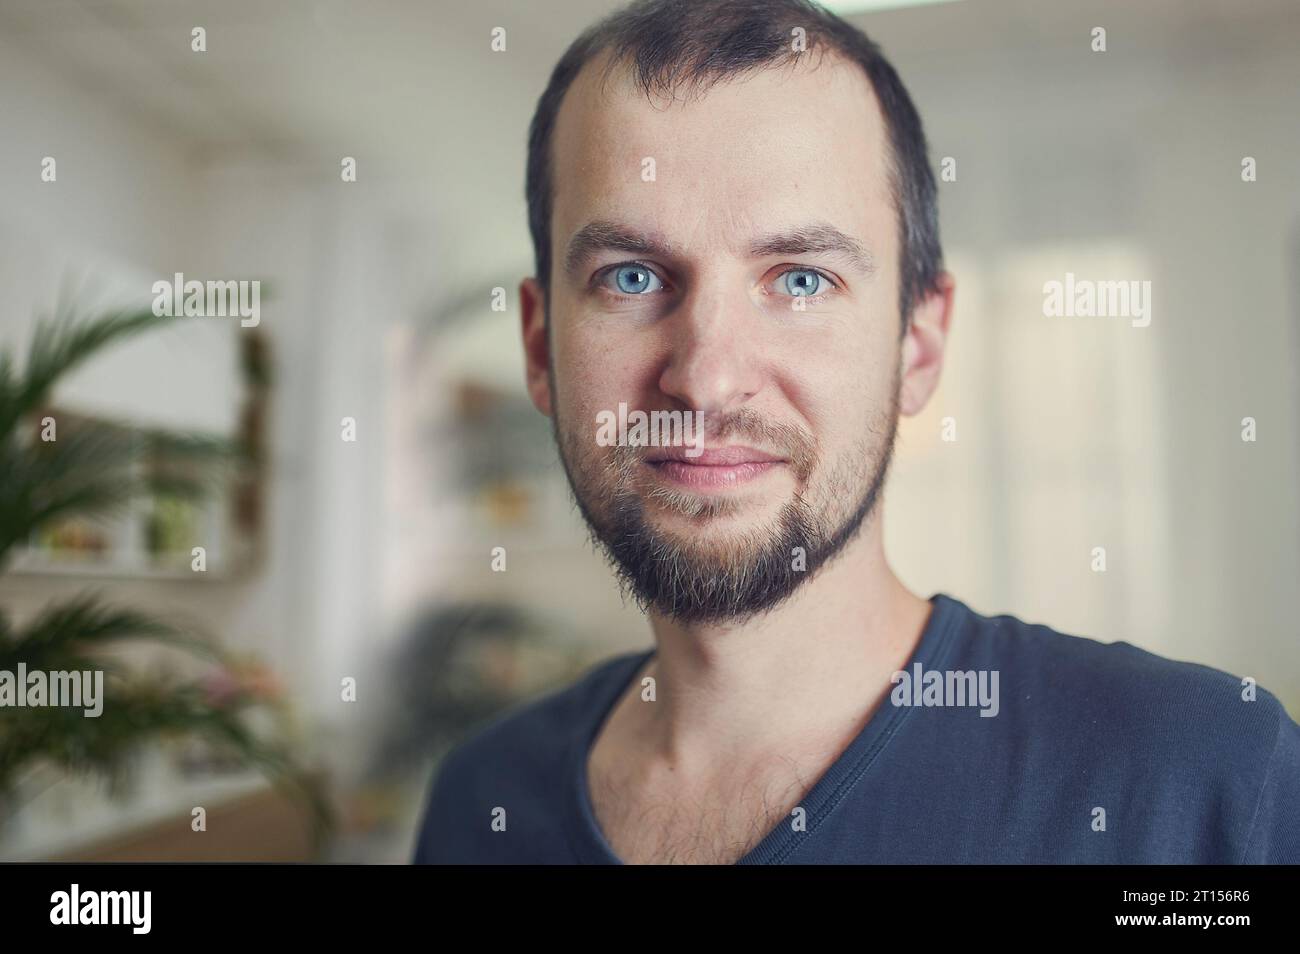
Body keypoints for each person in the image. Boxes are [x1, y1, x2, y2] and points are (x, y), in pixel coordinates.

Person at [412, 0, 1300, 864]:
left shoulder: (1205, 784)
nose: (708, 377)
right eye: (632, 278)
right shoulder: (478, 801)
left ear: (919, 345)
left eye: (800, 280)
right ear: (539, 345)